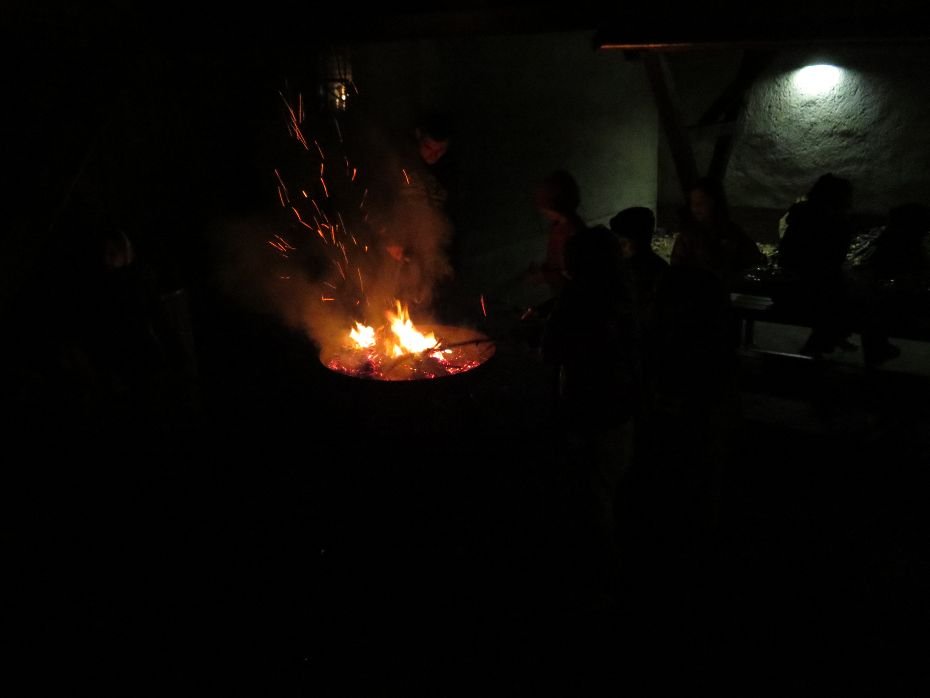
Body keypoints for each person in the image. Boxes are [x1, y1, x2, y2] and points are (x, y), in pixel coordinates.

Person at [541, 221, 641, 600]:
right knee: (608, 487)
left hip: (588, 410)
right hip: (621, 409)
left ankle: (600, 578)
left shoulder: (577, 300)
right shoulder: (623, 293)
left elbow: (552, 351)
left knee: (589, 497)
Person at [775, 173, 857, 356]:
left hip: (790, 283)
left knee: (839, 299)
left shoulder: (800, 215)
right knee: (845, 301)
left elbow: (786, 251)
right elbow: (834, 261)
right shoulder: (838, 223)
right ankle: (820, 346)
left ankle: (827, 341)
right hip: (810, 289)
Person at [853, 203, 930, 366]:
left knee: (874, 323)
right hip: (891, 296)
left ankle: (875, 353)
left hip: (879, 294)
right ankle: (876, 353)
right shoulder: (908, 245)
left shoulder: (887, 240)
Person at [670, 177, 764, 290]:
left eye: (701, 203)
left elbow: (753, 260)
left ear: (714, 202)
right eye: (693, 204)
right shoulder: (687, 237)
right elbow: (677, 270)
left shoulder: (732, 233)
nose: (695, 209)